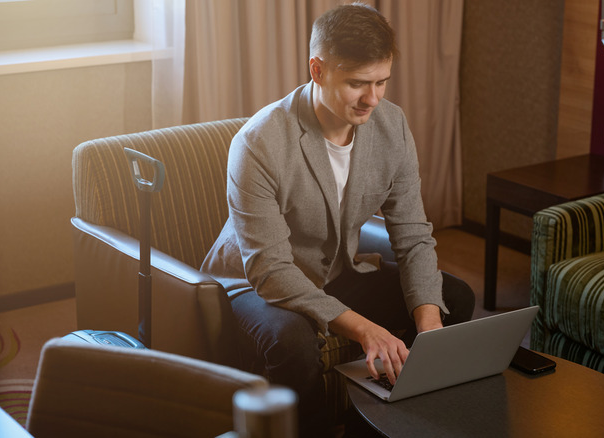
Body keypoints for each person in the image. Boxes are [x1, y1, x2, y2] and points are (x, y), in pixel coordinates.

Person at [201, 3, 475, 436]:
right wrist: (367, 330)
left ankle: (393, 425)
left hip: (336, 270)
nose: (373, 99)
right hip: (253, 283)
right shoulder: (259, 143)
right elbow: (270, 271)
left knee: (451, 297)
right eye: (358, 84)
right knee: (291, 341)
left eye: (382, 81)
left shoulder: (392, 126)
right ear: (318, 70)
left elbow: (413, 235)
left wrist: (430, 325)